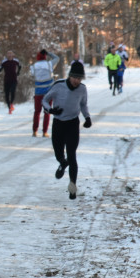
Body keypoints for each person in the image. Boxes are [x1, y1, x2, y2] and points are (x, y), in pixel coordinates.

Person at [42, 60, 92, 200]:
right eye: (75, 77)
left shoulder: (82, 89)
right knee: (59, 153)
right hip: (58, 123)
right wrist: (51, 110)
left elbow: (83, 105)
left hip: (72, 124)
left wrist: (87, 118)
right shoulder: (59, 86)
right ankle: (62, 163)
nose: (77, 81)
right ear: (70, 76)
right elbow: (45, 100)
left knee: (72, 155)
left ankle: (72, 187)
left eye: (79, 78)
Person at [30, 49, 59, 137]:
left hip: (38, 92)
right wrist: (49, 53)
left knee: (37, 112)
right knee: (47, 112)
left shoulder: (33, 66)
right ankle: (44, 132)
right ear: (45, 56)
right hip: (48, 92)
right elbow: (57, 58)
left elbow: (32, 75)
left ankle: (35, 131)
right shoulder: (49, 64)